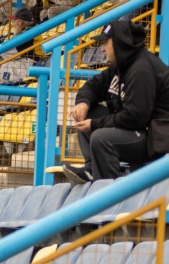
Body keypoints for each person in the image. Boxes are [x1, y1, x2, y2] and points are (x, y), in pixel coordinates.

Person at [62, 21, 169, 183]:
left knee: (101, 138)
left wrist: (95, 124)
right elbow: (93, 86)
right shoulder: (122, 65)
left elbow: (134, 118)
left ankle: (108, 192)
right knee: (87, 114)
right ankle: (92, 169)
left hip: (155, 139)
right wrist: (83, 103)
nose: (102, 48)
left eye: (105, 42)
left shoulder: (142, 70)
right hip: (138, 129)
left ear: (120, 42)